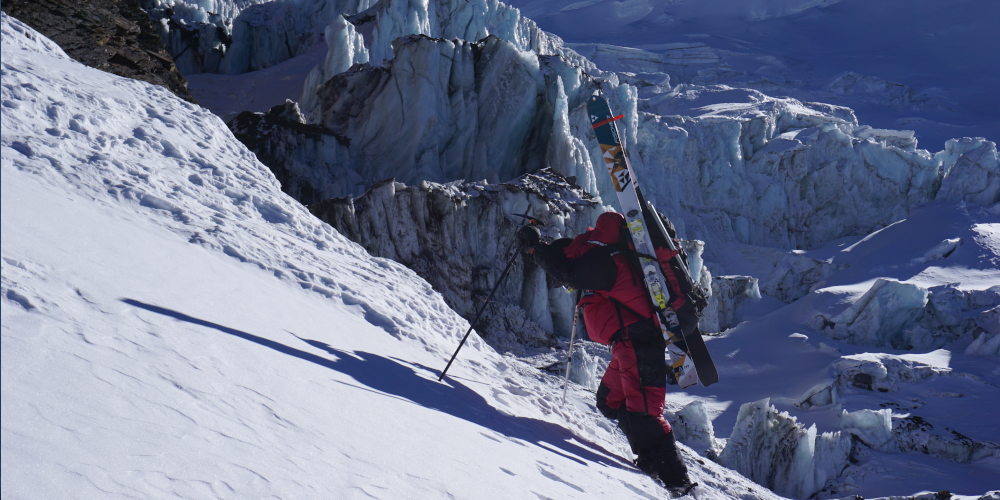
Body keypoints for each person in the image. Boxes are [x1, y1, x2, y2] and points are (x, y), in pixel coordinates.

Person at [516, 211, 694, 494]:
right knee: (609, 401)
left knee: (646, 414)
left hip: (639, 346)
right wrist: (547, 250)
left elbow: (568, 271)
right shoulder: (604, 255)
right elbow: (569, 264)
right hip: (627, 347)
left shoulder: (607, 261)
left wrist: (535, 249)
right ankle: (649, 459)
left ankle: (679, 483)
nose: (567, 287)